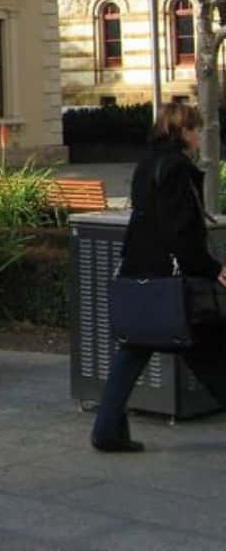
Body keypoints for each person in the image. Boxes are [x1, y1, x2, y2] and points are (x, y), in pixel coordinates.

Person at [91, 100, 226, 451]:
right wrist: (214, 269)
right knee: (208, 346)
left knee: (134, 349)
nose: (198, 134)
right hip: (170, 278)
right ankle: (107, 431)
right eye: (194, 128)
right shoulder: (178, 169)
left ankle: (106, 430)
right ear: (181, 132)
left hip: (140, 271)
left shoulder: (146, 164)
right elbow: (181, 233)